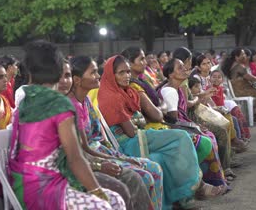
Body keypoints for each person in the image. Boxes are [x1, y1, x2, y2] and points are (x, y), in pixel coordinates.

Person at [8, 40, 125, 209]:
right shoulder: (59, 105)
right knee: (108, 204)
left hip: (21, 185)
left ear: (30, 72)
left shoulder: (27, 101)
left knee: (115, 200)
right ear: (57, 71)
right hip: (45, 189)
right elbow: (75, 159)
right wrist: (97, 192)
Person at [96, 55, 214, 209]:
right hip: (128, 143)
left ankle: (177, 199)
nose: (127, 76)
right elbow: (131, 131)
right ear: (111, 75)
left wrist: (139, 121)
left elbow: (138, 120)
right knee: (181, 137)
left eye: (127, 72)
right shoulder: (111, 96)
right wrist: (140, 121)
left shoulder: (127, 91)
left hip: (138, 135)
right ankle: (195, 185)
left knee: (162, 157)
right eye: (121, 73)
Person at [68, 56, 162, 210]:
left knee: (154, 168)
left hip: (102, 150)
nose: (98, 76)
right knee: (142, 175)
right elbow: (83, 149)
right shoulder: (71, 107)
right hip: (92, 156)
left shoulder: (85, 101)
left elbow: (99, 137)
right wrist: (116, 158)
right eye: (93, 73)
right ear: (77, 80)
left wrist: (119, 156)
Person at [159, 58, 229, 191]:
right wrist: (194, 127)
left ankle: (210, 180)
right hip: (174, 129)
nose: (185, 69)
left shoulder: (177, 88)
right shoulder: (170, 91)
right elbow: (173, 121)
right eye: (180, 67)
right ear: (171, 74)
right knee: (206, 138)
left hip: (182, 125)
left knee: (209, 135)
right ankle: (201, 181)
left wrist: (193, 125)